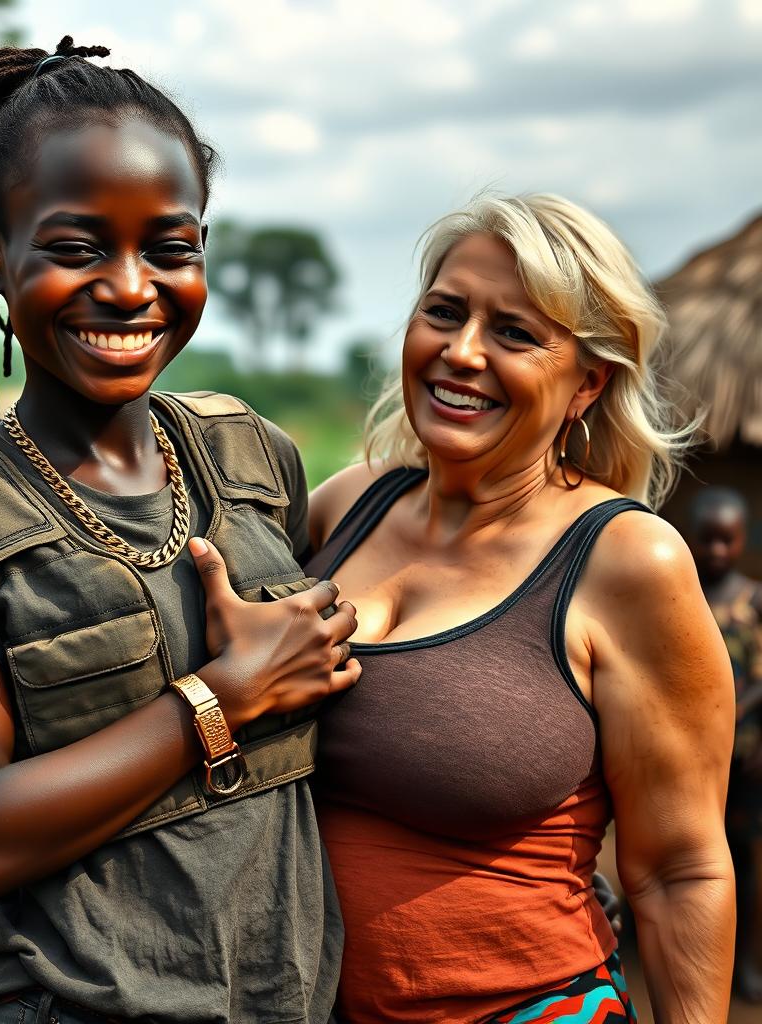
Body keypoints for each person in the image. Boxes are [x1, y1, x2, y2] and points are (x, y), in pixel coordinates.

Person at [0, 38, 362, 1024]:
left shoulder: (252, 458)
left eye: (170, 245)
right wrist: (221, 697)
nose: (127, 286)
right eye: (76, 247)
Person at [306, 193, 736, 1023]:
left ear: (587, 385)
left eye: (515, 333)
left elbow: (680, 869)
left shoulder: (624, 561)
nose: (461, 353)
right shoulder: (342, 509)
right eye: (444, 312)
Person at [687, 486, 762, 1002]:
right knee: (690, 859)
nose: (716, 551)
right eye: (707, 540)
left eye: (727, 541)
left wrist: (728, 716)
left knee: (745, 863)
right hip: (689, 761)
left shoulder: (754, 599)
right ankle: (695, 962)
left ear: (742, 541)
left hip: (745, 760)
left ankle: (747, 962)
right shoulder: (682, 596)